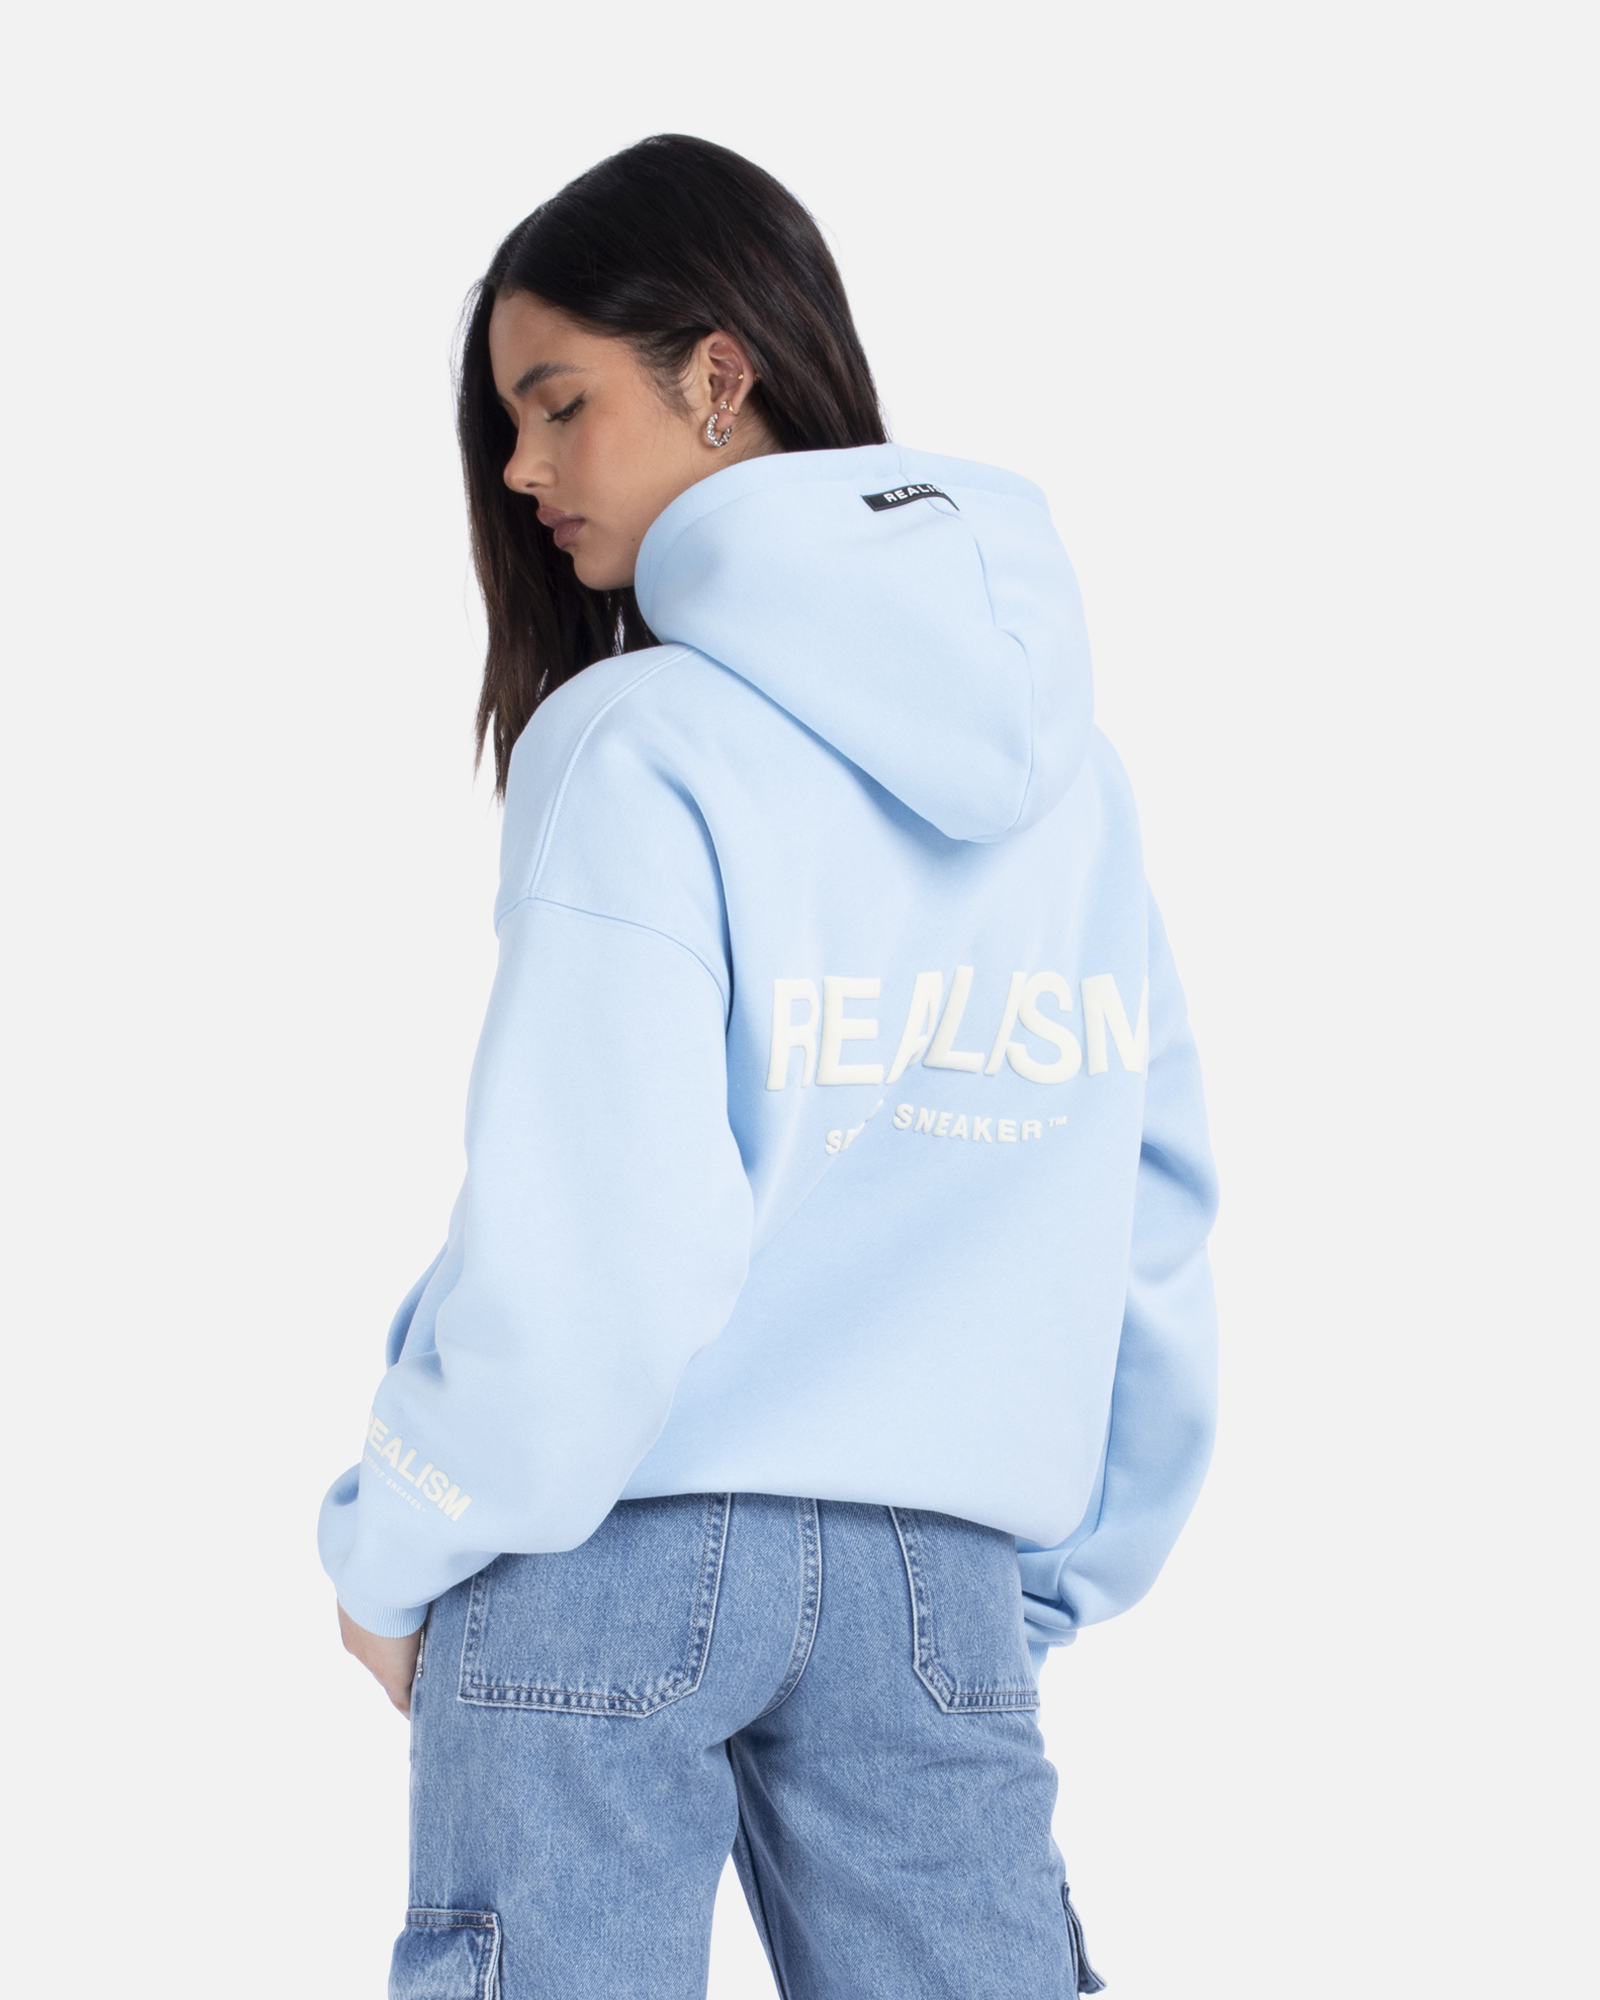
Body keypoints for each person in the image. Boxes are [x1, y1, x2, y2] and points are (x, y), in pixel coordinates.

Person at [320, 133, 1218, 2000]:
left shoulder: (633, 740)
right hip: (937, 1578)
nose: (522, 470)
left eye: (558, 403)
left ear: (718, 374)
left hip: (595, 1546)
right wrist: (1039, 1578)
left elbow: (600, 1241)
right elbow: (1147, 1212)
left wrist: (396, 1536)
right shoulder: (1078, 791)